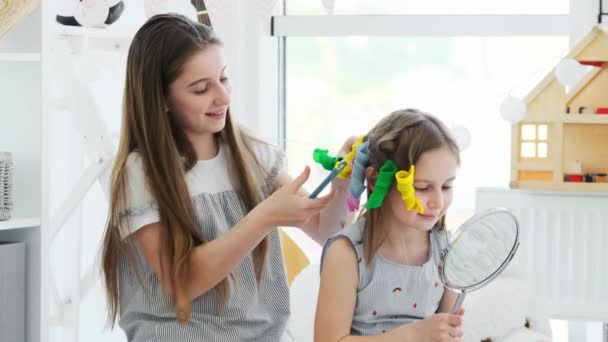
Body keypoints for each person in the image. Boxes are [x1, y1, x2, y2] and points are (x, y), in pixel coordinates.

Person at [100, 13, 352, 342]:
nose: (223, 97)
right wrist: (264, 217)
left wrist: (343, 181)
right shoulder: (142, 174)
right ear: (161, 98)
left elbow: (326, 230)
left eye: (223, 79)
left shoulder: (251, 156)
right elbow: (184, 282)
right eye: (201, 88)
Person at [315, 109, 465, 342]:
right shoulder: (347, 254)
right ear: (375, 179)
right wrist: (415, 334)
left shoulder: (444, 250)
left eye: (446, 187)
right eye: (423, 188)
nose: (437, 202)